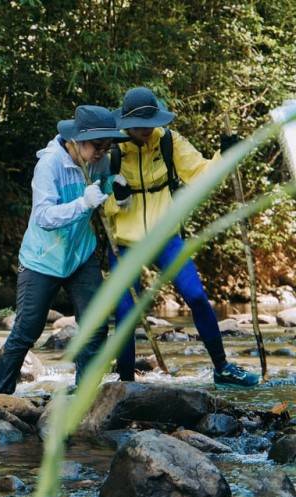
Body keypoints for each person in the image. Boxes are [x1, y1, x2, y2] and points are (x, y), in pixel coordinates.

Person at [105, 86, 258, 387]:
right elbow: (97, 202)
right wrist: (116, 198)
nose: (146, 130)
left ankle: (222, 367)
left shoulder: (169, 142)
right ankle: (125, 383)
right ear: (125, 123)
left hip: (166, 237)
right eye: (139, 125)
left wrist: (223, 156)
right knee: (125, 313)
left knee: (197, 297)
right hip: (124, 242)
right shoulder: (112, 150)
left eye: (150, 123)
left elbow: (201, 174)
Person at [0, 105, 127, 394]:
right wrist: (83, 204)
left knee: (96, 323)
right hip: (42, 260)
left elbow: (103, 185)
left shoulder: (99, 160)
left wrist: (114, 185)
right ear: (76, 141)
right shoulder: (49, 164)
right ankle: (0, 397)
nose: (104, 152)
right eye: (98, 145)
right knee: (27, 330)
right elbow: (44, 216)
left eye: (108, 145)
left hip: (81, 254)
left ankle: (85, 393)